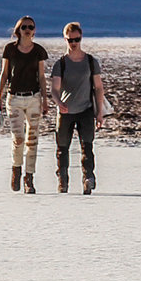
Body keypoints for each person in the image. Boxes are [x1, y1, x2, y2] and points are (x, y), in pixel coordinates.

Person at [50, 22, 109, 195]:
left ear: (81, 38)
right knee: (62, 148)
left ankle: (88, 179)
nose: (74, 43)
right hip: (66, 111)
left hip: (86, 110)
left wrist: (99, 112)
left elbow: (98, 87)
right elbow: (54, 89)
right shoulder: (60, 64)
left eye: (77, 39)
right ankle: (63, 180)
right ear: (65, 40)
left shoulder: (91, 62)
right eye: (70, 40)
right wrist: (59, 103)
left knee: (87, 146)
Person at [0, 17, 50, 193]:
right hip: (14, 98)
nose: (27, 30)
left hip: (33, 98)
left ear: (34, 30)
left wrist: (45, 99)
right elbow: (4, 74)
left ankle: (29, 178)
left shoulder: (39, 51)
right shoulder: (10, 49)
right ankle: (16, 168)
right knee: (18, 138)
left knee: (32, 140)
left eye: (30, 27)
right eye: (24, 27)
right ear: (18, 30)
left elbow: (41, 76)